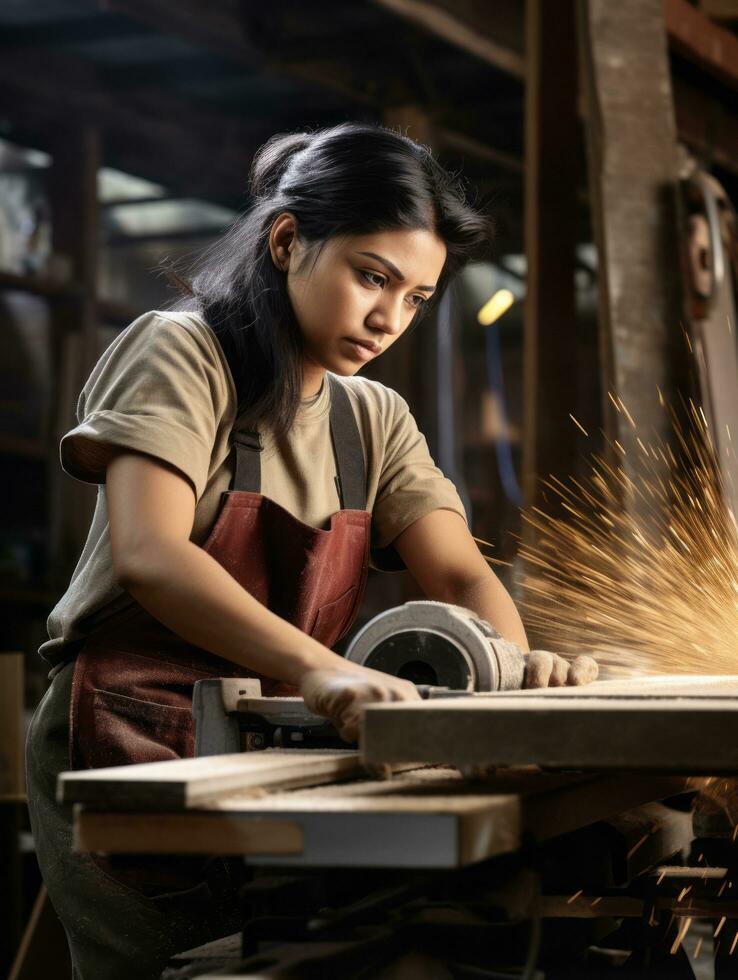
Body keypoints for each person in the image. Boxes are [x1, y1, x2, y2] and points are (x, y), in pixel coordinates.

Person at [26, 122, 597, 979]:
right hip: (124, 735)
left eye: (415, 297)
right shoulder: (181, 352)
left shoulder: (372, 417)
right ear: (288, 239)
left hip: (274, 751)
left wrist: (511, 677)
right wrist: (323, 672)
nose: (388, 318)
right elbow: (152, 555)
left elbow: (463, 572)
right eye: (372, 277)